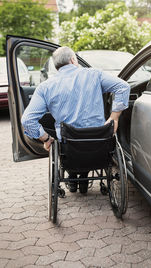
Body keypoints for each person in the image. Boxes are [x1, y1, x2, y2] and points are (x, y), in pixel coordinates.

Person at [21, 46, 130, 193]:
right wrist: (114, 117)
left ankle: (73, 177)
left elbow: (27, 120)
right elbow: (123, 87)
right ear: (73, 60)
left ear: (56, 65)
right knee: (88, 140)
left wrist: (46, 139)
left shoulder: (45, 87)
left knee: (67, 142)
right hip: (98, 142)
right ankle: (84, 179)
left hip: (69, 146)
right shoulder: (94, 75)